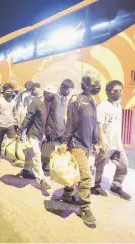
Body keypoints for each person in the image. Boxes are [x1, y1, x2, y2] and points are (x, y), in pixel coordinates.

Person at [59, 72, 101, 225]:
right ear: (84, 84)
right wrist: (65, 141)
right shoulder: (76, 100)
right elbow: (70, 122)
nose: (96, 86)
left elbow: (94, 123)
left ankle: (67, 193)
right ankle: (85, 208)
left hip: (88, 145)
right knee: (85, 176)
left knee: (74, 173)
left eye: (97, 83)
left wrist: (96, 142)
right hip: (76, 144)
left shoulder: (93, 102)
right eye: (93, 83)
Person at [91, 80, 131, 200]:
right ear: (108, 92)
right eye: (115, 91)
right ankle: (96, 186)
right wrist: (101, 142)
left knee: (124, 166)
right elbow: (99, 126)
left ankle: (116, 186)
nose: (118, 93)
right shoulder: (103, 107)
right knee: (99, 167)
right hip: (105, 145)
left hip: (117, 145)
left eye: (120, 90)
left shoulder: (119, 107)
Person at [19, 84, 53, 191]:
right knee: (37, 155)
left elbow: (43, 120)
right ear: (46, 93)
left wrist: (44, 133)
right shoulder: (36, 102)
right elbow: (28, 117)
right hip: (32, 133)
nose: (53, 97)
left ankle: (25, 170)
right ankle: (42, 180)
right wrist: (22, 131)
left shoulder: (47, 104)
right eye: (52, 95)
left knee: (30, 153)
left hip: (39, 134)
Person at [42, 79, 74, 171]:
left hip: (61, 127)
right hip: (50, 127)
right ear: (61, 87)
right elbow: (46, 111)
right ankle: (45, 163)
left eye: (70, 91)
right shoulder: (53, 97)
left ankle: (63, 164)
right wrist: (45, 126)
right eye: (67, 90)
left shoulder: (65, 98)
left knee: (65, 146)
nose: (68, 92)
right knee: (48, 146)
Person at [0, 82, 17, 162]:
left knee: (12, 141)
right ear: (4, 91)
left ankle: (13, 157)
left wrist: (17, 122)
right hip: (0, 124)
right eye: (7, 91)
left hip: (10, 125)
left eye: (11, 91)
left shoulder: (13, 101)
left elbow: (14, 112)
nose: (9, 93)